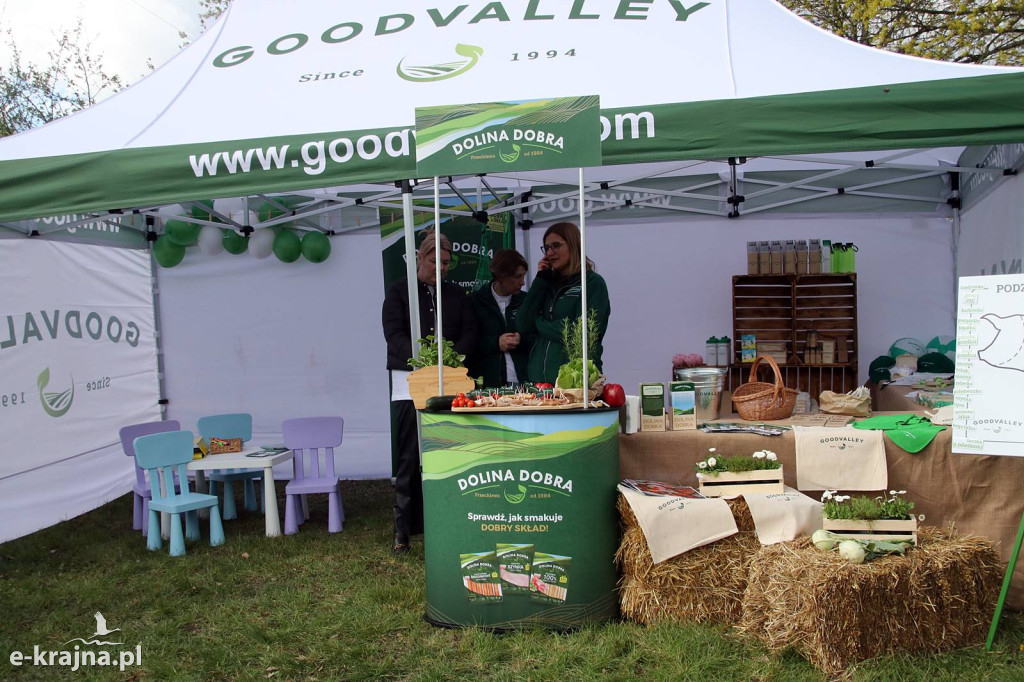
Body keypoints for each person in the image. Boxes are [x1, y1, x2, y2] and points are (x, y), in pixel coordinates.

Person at [381, 232, 476, 555]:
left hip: (448, 383)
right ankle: (402, 531)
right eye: (436, 261)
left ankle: (447, 520)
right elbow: (392, 333)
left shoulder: (456, 294)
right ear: (420, 258)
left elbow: (469, 331)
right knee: (409, 456)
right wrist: (421, 361)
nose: (442, 268)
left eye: (447, 263)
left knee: (449, 452)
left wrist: (449, 361)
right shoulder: (398, 292)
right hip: (408, 384)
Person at [517, 222, 611, 385]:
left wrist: (540, 324)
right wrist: (540, 279)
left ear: (573, 244)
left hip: (577, 382)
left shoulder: (592, 283)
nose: (550, 253)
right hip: (539, 385)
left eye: (556, 246)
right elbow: (523, 324)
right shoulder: (546, 283)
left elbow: (582, 334)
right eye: (546, 248)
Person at [466, 249, 529, 387]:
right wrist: (496, 343)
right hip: (487, 384)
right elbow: (467, 344)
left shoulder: (526, 301)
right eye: (518, 277)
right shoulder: (474, 302)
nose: (523, 282)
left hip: (524, 382)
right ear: (500, 276)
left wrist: (521, 339)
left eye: (524, 276)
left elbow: (537, 337)